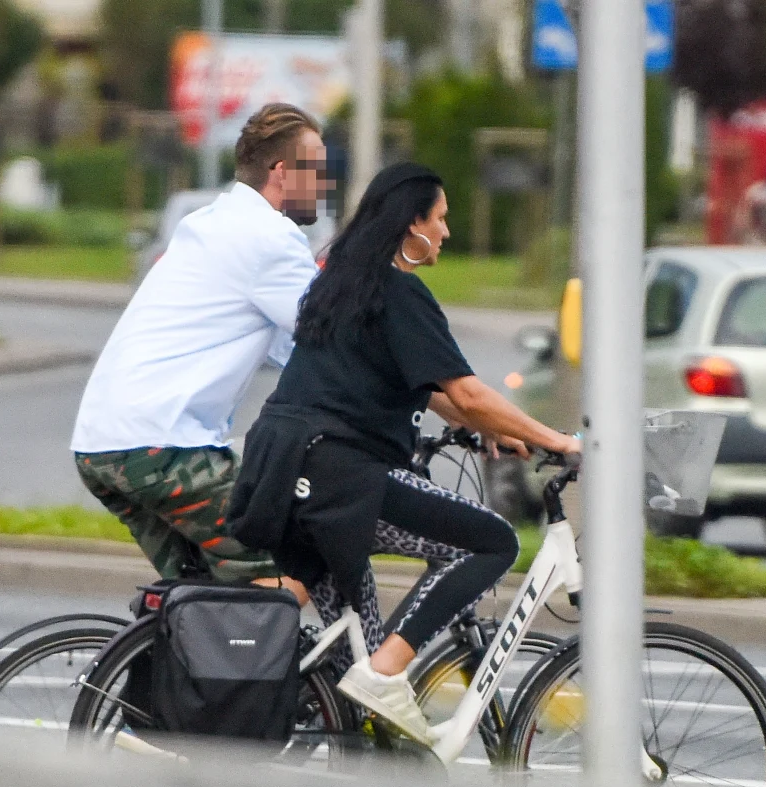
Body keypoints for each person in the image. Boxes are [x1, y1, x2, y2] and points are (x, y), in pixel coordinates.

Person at [228, 163, 582, 745]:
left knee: (355, 657)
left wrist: (483, 424)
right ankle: (387, 672)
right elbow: (467, 391)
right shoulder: (400, 292)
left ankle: (268, 722)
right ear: (410, 223)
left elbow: (425, 387)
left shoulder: (340, 283)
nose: (445, 232)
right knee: (490, 541)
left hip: (282, 468)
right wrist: (555, 441)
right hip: (338, 473)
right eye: (439, 219)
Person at [71, 103, 331, 598]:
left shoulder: (212, 222)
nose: (324, 184)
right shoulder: (271, 238)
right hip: (162, 446)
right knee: (298, 563)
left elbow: (292, 348)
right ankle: (273, 670)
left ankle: (172, 674)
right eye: (317, 170)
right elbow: (336, 341)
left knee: (204, 599)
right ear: (282, 172)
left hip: (101, 445)